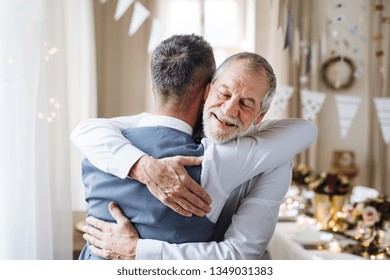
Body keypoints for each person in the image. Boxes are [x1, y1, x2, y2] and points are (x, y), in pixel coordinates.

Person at [72, 35, 317, 260]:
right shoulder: (117, 136)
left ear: (260, 116)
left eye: (246, 103)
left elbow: (239, 256)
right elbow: (87, 130)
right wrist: (144, 166)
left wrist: (138, 251)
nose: (229, 110)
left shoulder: (271, 158)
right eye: (224, 93)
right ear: (207, 91)